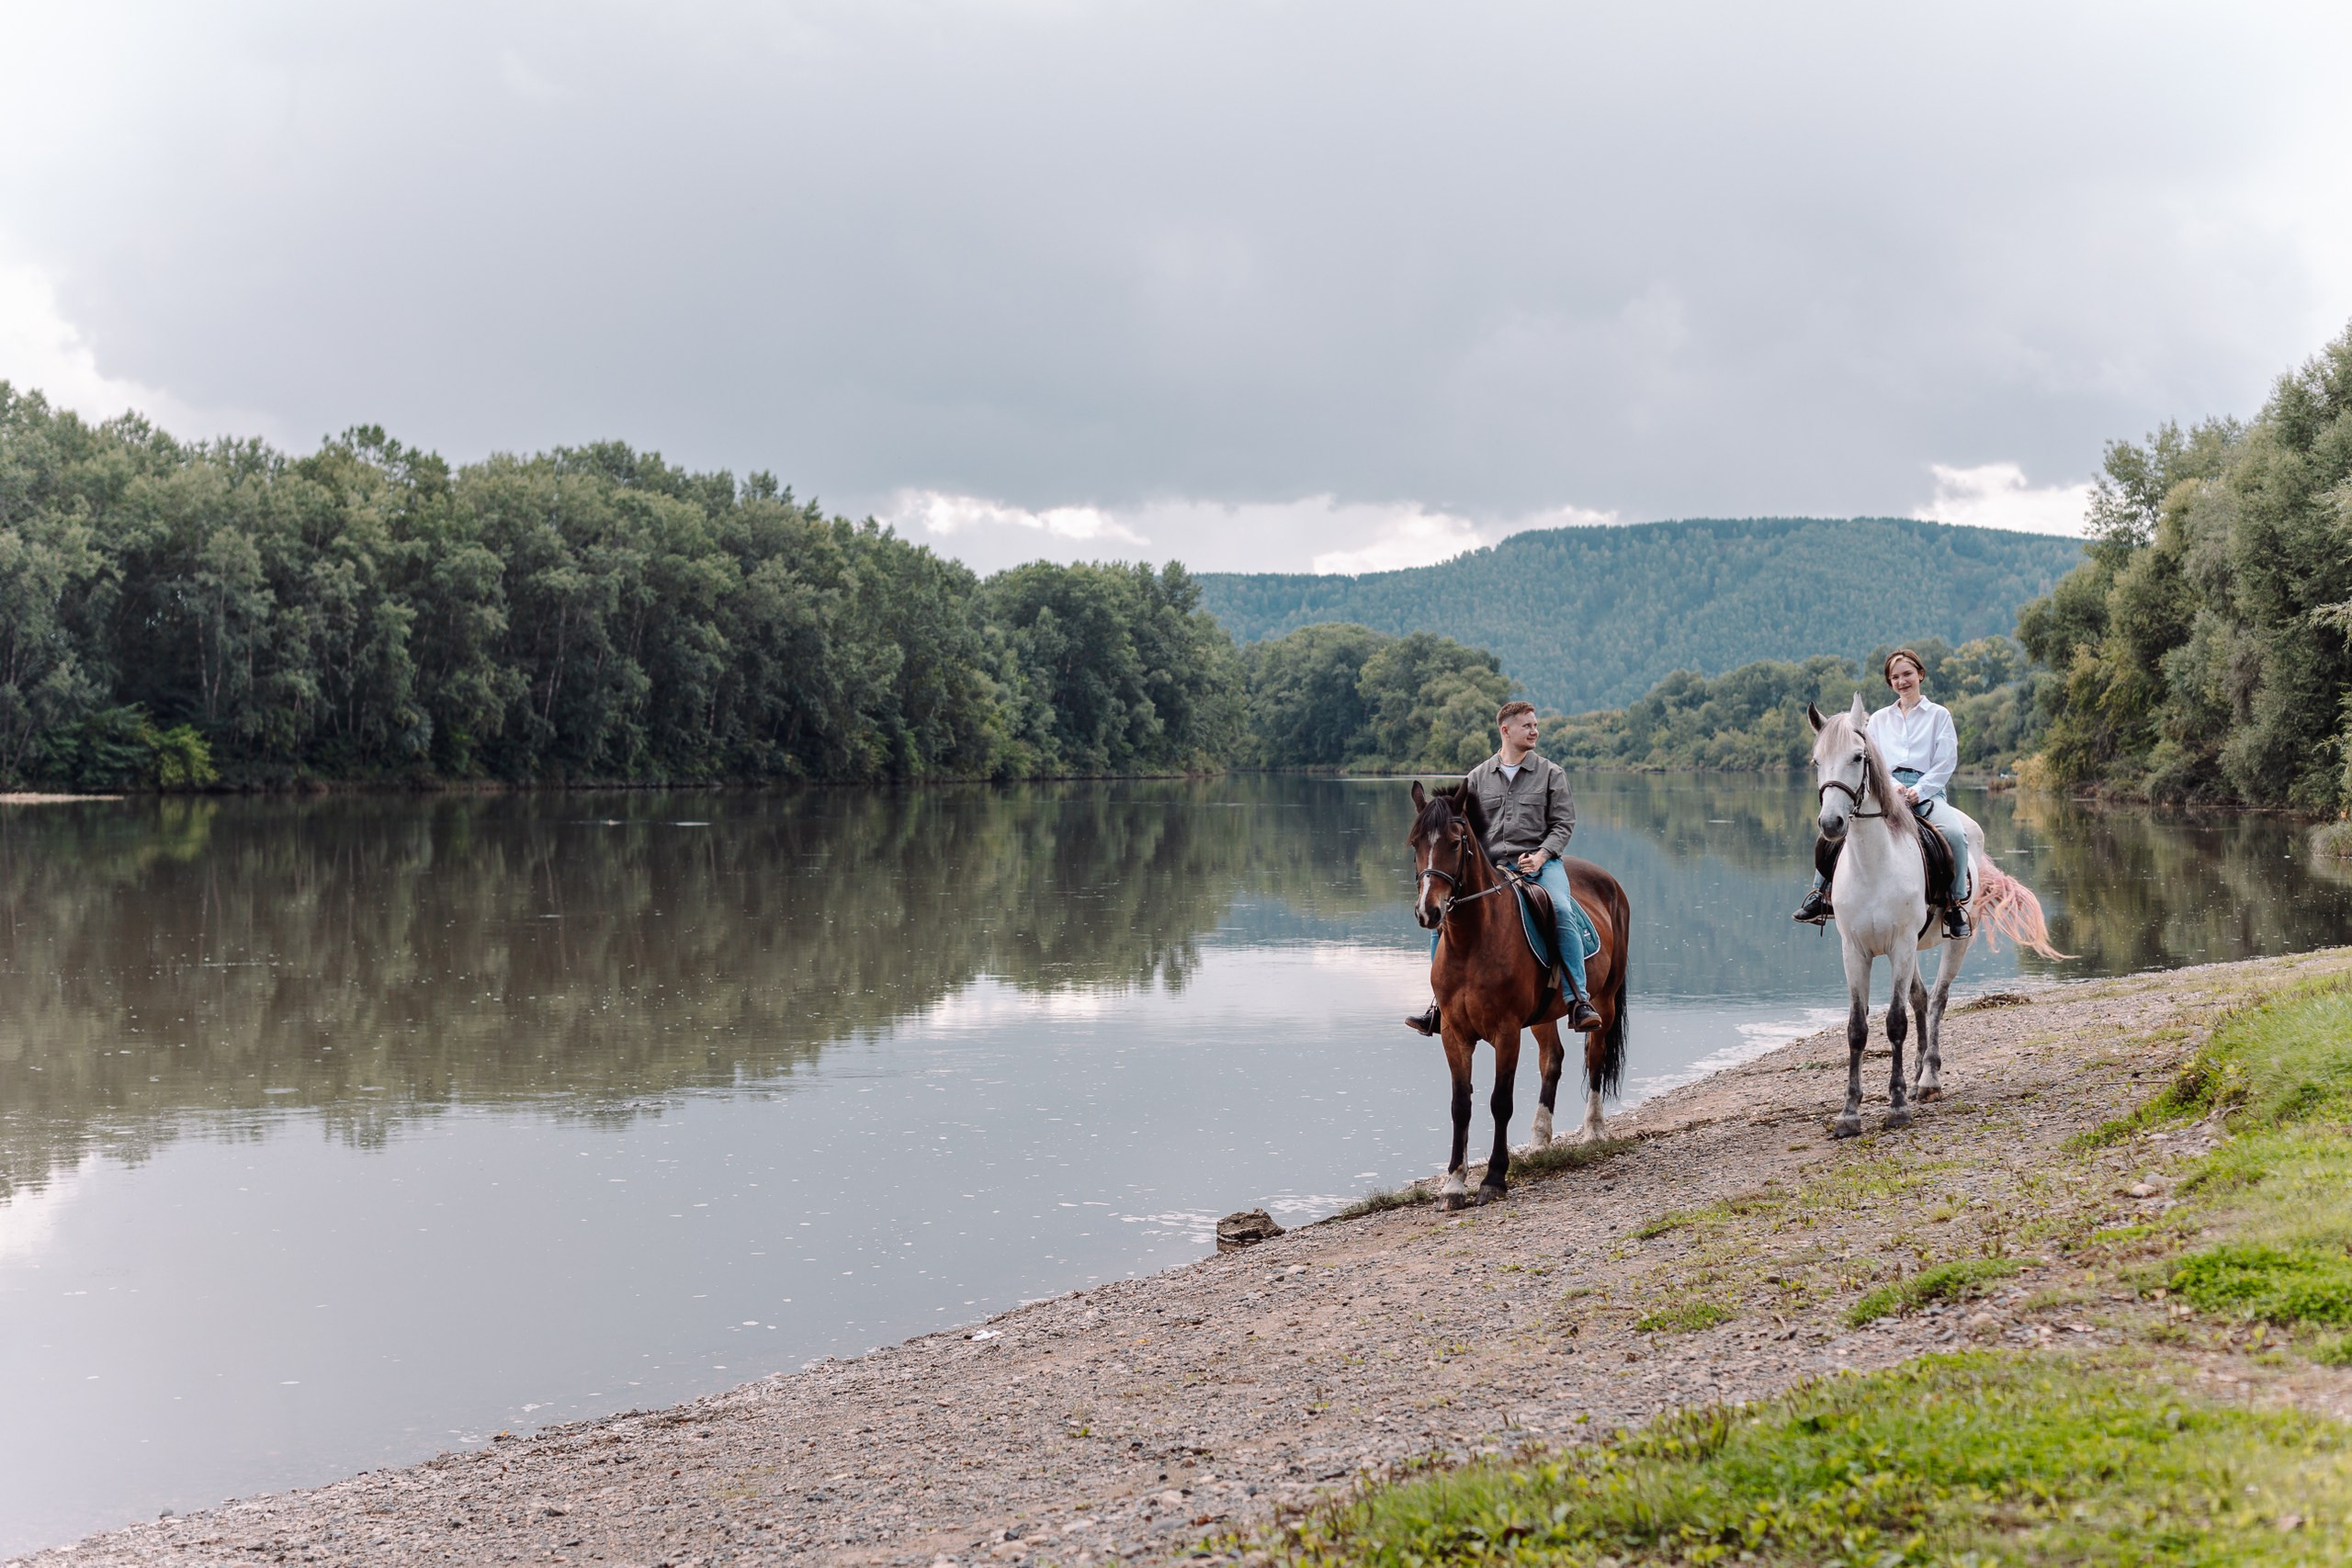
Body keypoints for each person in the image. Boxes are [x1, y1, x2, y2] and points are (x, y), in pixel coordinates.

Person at [1408, 701, 1604, 1036]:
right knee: (1444, 918)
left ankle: (1577, 1000)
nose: (1534, 731)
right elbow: (1462, 830)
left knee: (1559, 908)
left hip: (1541, 865)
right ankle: (1440, 1004)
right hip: (1492, 867)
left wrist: (1542, 856)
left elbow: (1563, 825)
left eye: (1535, 725)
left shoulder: (1551, 773)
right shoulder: (1476, 778)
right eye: (1527, 725)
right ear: (1506, 730)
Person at [1792, 649, 1973, 938]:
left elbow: (1946, 762)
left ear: (1920, 675)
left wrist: (1918, 790)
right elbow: (1870, 761)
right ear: (1890, 683)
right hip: (1883, 788)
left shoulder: (1939, 715)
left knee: (1954, 834)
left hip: (1927, 791)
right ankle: (1820, 894)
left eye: (1907, 674)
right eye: (1895, 677)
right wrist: (1891, 785)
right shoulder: (1878, 720)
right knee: (1832, 835)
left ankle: (1955, 903)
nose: (1902, 681)